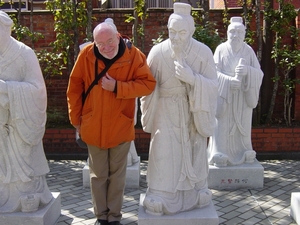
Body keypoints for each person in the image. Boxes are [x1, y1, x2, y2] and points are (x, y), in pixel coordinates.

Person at [66, 18, 156, 225]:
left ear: (118, 36)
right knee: (98, 176)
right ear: (94, 43)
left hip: (120, 126)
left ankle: (114, 217)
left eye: (109, 42)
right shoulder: (86, 54)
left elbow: (148, 84)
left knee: (117, 176)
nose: (106, 47)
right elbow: (74, 88)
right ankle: (101, 217)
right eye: (100, 44)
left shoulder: (134, 55)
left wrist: (118, 87)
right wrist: (76, 120)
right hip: (92, 125)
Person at [140, 3, 218, 215]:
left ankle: (197, 191)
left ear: (191, 31)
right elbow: (146, 86)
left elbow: (213, 85)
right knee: (163, 152)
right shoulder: (158, 52)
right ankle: (158, 193)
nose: (176, 38)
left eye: (182, 33)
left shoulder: (203, 52)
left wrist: (193, 79)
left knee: (194, 150)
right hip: (165, 112)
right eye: (172, 32)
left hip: (193, 112)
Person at [0, 11, 53, 213]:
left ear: (6, 29)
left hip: (21, 120)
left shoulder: (24, 53)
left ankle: (29, 193)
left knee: (23, 156)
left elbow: (38, 89)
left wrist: (6, 89)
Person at [207, 17, 264, 167]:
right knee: (222, 123)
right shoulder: (221, 49)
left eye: (240, 32)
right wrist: (228, 81)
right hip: (225, 94)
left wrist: (247, 72)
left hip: (243, 96)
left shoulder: (249, 51)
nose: (236, 35)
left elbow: (259, 73)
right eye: (232, 31)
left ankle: (245, 150)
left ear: (244, 34)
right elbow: (213, 73)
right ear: (227, 33)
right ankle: (219, 152)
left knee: (243, 125)